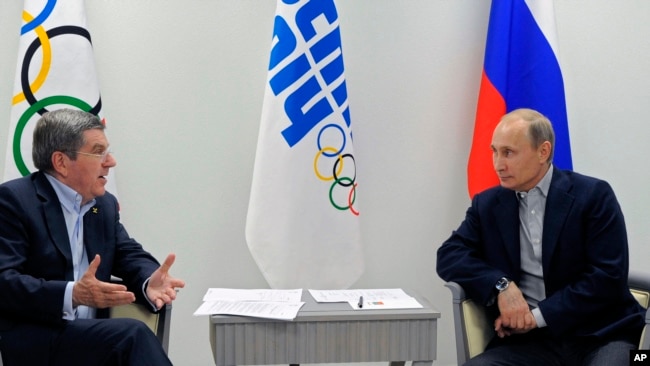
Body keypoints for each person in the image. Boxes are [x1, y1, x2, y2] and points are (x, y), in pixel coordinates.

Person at [437, 108, 645, 366]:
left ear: (543, 152)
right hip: (532, 344)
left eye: (508, 153)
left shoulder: (593, 196)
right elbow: (449, 255)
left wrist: (535, 317)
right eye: (495, 151)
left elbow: (607, 277)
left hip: (604, 334)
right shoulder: (488, 204)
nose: (498, 164)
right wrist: (502, 286)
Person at [0, 108, 185, 365]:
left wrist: (148, 280)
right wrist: (73, 294)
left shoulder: (103, 205)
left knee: (127, 338)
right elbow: (5, 282)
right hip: (36, 340)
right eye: (98, 152)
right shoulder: (14, 201)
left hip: (88, 340)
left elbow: (127, 252)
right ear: (61, 162)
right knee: (131, 335)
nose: (110, 162)